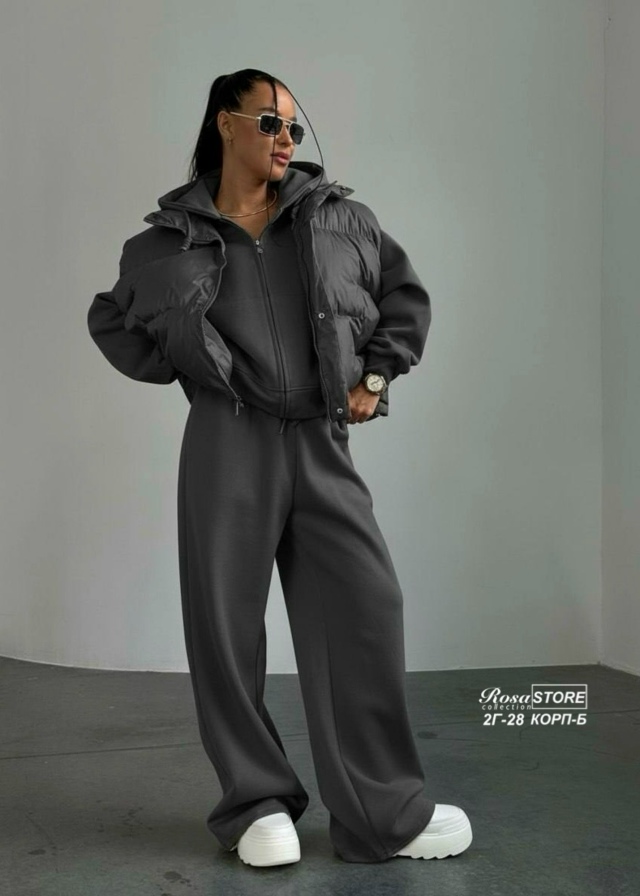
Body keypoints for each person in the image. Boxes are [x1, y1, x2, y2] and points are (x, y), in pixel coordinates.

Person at [87, 68, 472, 866]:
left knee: (364, 610)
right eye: (269, 122)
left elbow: (404, 299)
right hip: (228, 440)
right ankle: (256, 801)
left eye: (294, 126)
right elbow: (112, 319)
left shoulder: (340, 219)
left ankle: (381, 811)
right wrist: (189, 367)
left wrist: (374, 377)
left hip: (321, 439)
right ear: (225, 124)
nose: (287, 138)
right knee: (225, 626)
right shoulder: (163, 244)